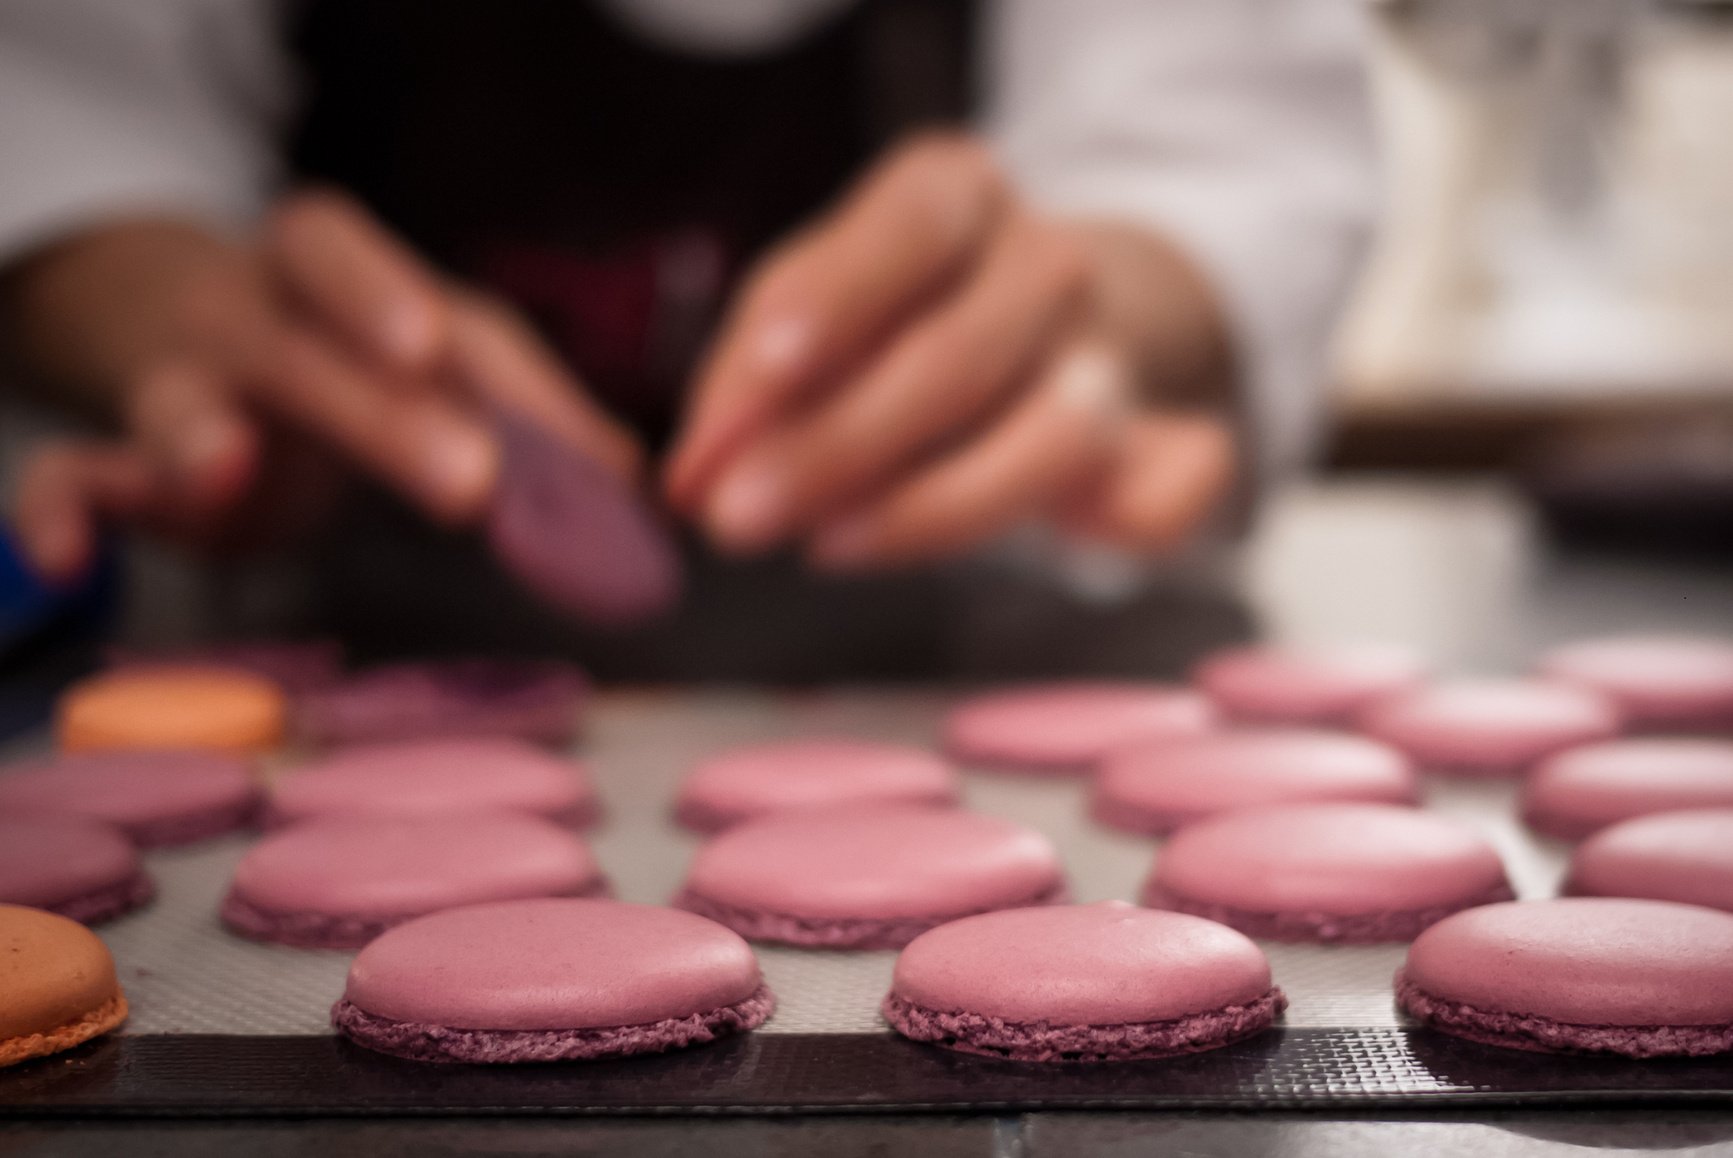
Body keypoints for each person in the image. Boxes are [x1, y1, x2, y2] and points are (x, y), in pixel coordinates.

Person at [0, 0, 1374, 680]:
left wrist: (1086, 306)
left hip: (951, 648)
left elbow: (1217, 148)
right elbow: (62, 102)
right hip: (343, 639)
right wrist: (176, 309)